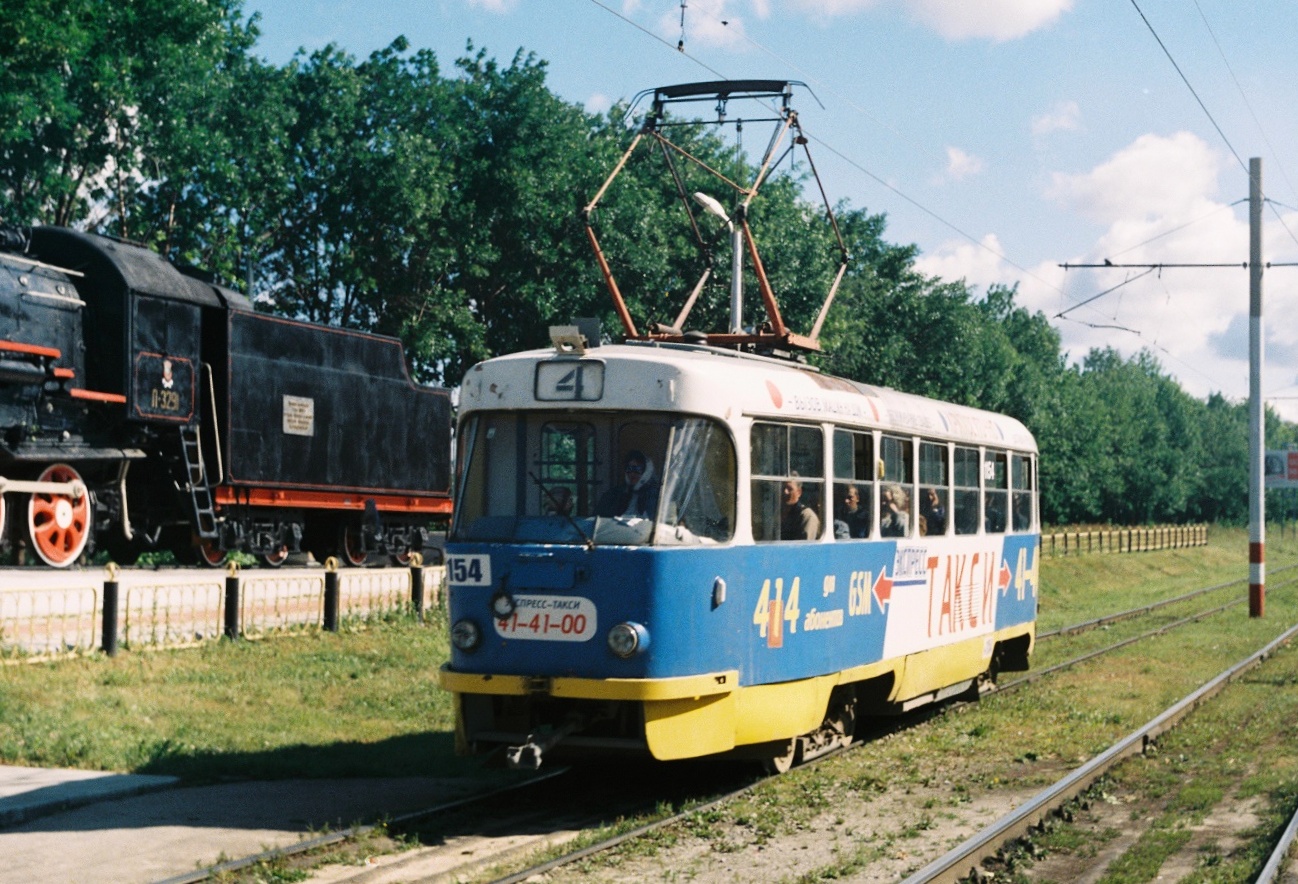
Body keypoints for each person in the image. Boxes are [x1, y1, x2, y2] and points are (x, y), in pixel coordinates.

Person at [597, 450, 661, 519]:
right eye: (629, 469)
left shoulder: (656, 496)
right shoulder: (614, 494)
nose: (632, 474)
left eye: (637, 469)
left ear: (647, 471)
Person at [780, 475, 820, 540]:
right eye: (783, 488)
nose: (785, 492)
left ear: (799, 492)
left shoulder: (807, 516)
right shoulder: (779, 513)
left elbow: (805, 546)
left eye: (789, 489)